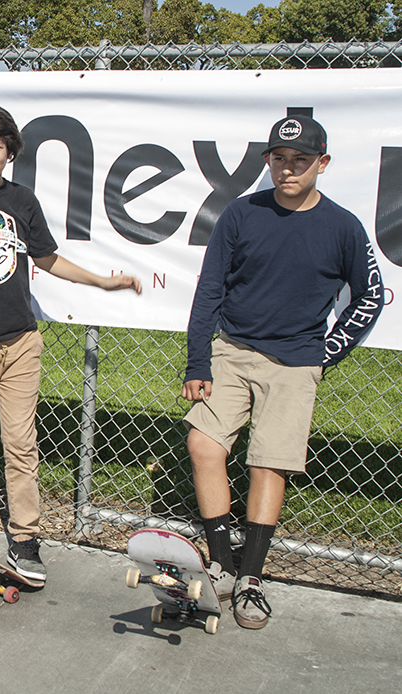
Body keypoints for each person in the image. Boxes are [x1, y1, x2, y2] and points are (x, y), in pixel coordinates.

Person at [0, 102, 141, 583]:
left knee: (21, 444)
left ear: (10, 150)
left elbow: (48, 259)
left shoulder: (23, 201)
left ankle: (25, 541)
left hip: (20, 344)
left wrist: (102, 282)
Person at [181, 115, 383, 629]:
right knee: (204, 444)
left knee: (268, 464)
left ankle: (251, 577)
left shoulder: (343, 226)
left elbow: (370, 295)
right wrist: (199, 360)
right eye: (278, 159)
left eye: (300, 160)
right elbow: (210, 289)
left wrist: (325, 352)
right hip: (233, 351)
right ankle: (223, 565)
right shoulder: (241, 213)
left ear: (322, 163)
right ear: (268, 161)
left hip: (296, 361)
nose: (287, 169)